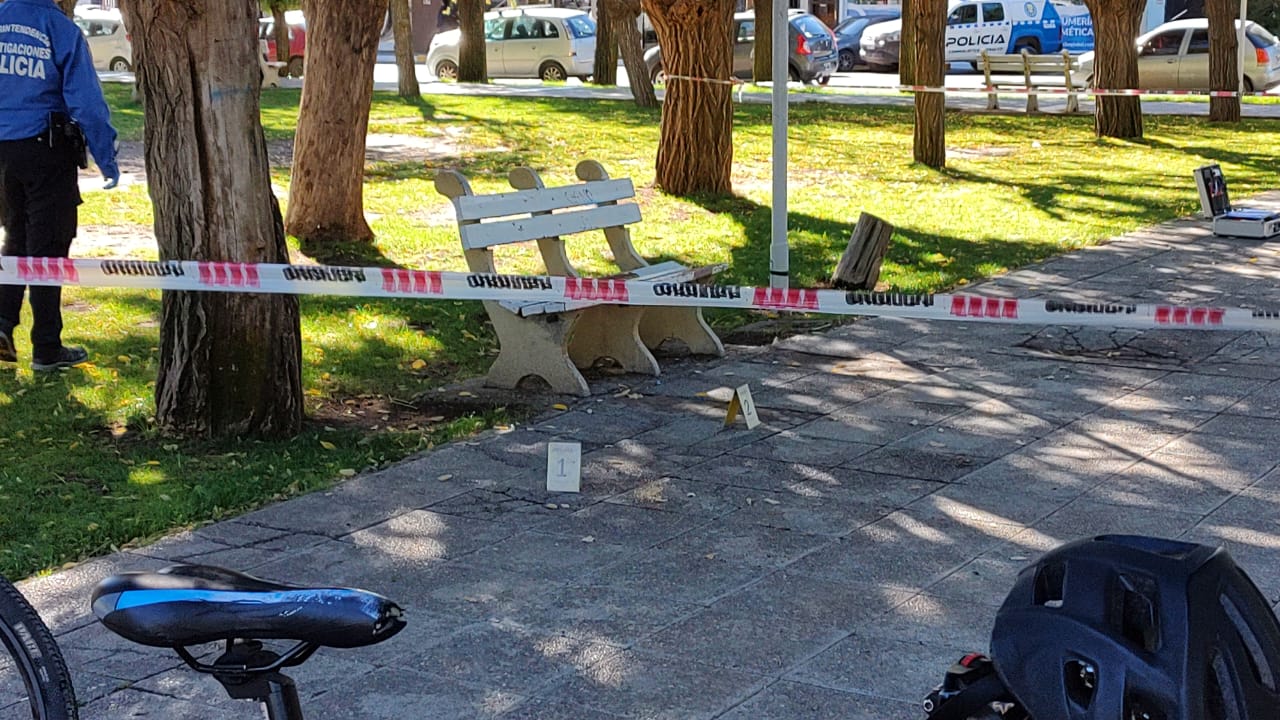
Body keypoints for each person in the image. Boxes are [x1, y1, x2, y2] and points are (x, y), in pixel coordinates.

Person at [0, 0, 119, 372]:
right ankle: (47, 347)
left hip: (2, 154)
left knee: (16, 237)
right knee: (49, 248)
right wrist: (106, 158)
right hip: (45, 150)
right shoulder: (59, 28)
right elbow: (87, 103)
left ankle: (2, 327)